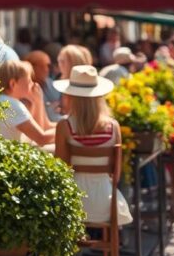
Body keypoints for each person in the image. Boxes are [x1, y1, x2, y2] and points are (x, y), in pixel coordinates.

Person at [54, 65, 133, 227]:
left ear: (71, 96)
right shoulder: (113, 127)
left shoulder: (64, 126)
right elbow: (116, 176)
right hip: (107, 205)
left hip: (74, 204)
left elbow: (60, 170)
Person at [0, 60, 55, 147]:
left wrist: (37, 101)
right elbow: (42, 139)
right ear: (13, 84)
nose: (32, 84)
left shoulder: (2, 99)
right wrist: (65, 130)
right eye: (29, 81)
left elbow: (38, 128)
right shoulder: (12, 104)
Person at [26, 50, 62, 123]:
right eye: (45, 66)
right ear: (33, 67)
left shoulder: (52, 85)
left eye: (49, 66)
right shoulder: (25, 89)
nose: (47, 70)